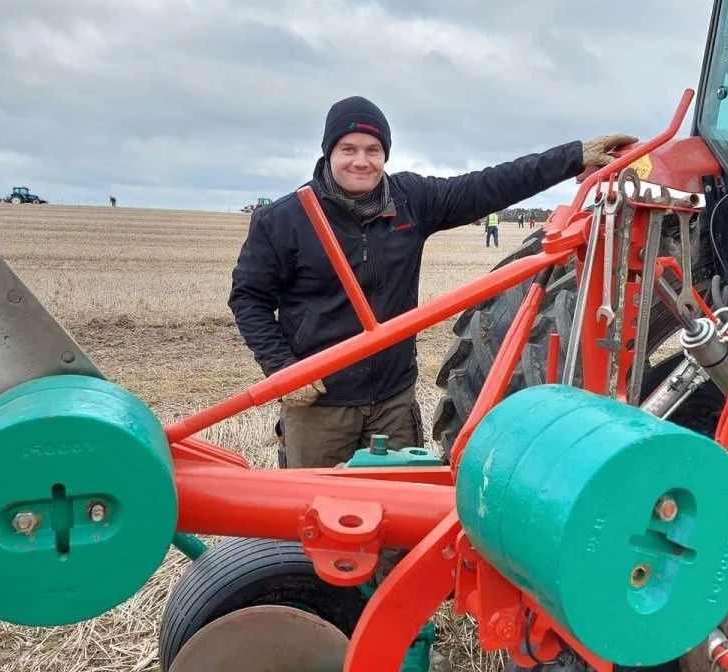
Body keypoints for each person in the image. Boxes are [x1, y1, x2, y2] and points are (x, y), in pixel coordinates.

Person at [228, 95, 636, 468]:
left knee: (400, 523)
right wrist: (283, 368)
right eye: (347, 149)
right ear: (328, 152)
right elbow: (248, 299)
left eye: (373, 150)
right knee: (312, 521)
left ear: (385, 154)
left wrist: (572, 157)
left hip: (393, 401)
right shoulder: (283, 220)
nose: (361, 161)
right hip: (320, 406)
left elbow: (489, 185)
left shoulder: (410, 200)